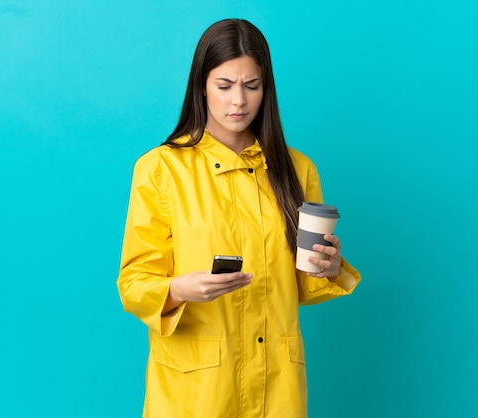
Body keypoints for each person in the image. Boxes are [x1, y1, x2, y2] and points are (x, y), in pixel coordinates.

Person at [117, 18, 361, 418]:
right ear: (201, 86)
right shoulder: (161, 169)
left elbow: (302, 283)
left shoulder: (297, 170)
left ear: (267, 89)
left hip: (277, 388)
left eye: (252, 86)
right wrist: (180, 289)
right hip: (197, 391)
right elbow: (133, 283)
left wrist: (329, 268)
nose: (238, 102)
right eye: (224, 86)